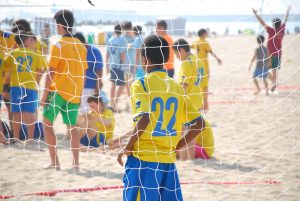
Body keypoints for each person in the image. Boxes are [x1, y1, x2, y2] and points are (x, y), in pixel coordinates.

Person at [117, 35, 206, 201]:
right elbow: (200, 124)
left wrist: (127, 147)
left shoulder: (140, 84)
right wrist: (178, 145)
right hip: (167, 162)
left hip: (143, 160)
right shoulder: (176, 87)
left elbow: (144, 118)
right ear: (166, 58)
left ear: (144, 60)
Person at [41, 10, 88, 170]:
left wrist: (44, 95)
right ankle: (76, 164)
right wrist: (80, 94)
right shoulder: (81, 46)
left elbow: (50, 73)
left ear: (60, 25)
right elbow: (83, 72)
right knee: (72, 128)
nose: (55, 27)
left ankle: (55, 163)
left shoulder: (58, 45)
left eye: (56, 25)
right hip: (75, 93)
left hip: (58, 92)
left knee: (46, 124)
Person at [173, 39, 214, 160]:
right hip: (198, 101)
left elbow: (183, 86)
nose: (176, 56)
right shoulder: (199, 61)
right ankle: (190, 159)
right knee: (192, 133)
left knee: (185, 132)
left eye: (176, 53)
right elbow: (205, 85)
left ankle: (185, 159)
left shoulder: (186, 63)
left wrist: (176, 101)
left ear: (181, 50)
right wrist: (205, 102)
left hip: (188, 101)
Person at [5, 31, 43, 142]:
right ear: (26, 40)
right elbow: (40, 70)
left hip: (16, 87)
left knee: (16, 113)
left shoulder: (13, 53)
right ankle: (30, 138)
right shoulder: (35, 54)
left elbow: (6, 68)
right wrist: (36, 82)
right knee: (29, 113)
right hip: (30, 87)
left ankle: (16, 138)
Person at [252, 7, 291, 92]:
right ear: (279, 24)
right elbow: (285, 20)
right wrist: (287, 11)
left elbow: (262, 22)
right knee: (274, 69)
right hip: (278, 53)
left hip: (269, 53)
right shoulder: (282, 29)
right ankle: (274, 82)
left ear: (273, 24)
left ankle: (273, 82)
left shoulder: (271, 30)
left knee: (265, 68)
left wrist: (256, 14)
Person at [191, 28, 222, 110]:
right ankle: (204, 104)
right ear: (203, 34)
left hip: (196, 64)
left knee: (198, 83)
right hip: (204, 65)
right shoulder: (205, 42)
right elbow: (211, 52)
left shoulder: (196, 40)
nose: (207, 34)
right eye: (206, 33)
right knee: (205, 85)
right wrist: (217, 58)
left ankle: (199, 103)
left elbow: (190, 46)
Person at [74, 32, 103, 113]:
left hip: (90, 87)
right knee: (79, 113)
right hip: (77, 87)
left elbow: (99, 71)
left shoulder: (95, 51)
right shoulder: (76, 51)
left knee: (87, 113)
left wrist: (97, 87)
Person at [106, 24, 126, 112]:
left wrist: (107, 65)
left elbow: (107, 53)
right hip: (119, 65)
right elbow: (122, 55)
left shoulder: (110, 39)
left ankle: (112, 103)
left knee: (113, 84)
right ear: (121, 31)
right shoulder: (122, 40)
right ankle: (114, 104)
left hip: (112, 64)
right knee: (122, 85)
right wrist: (124, 62)